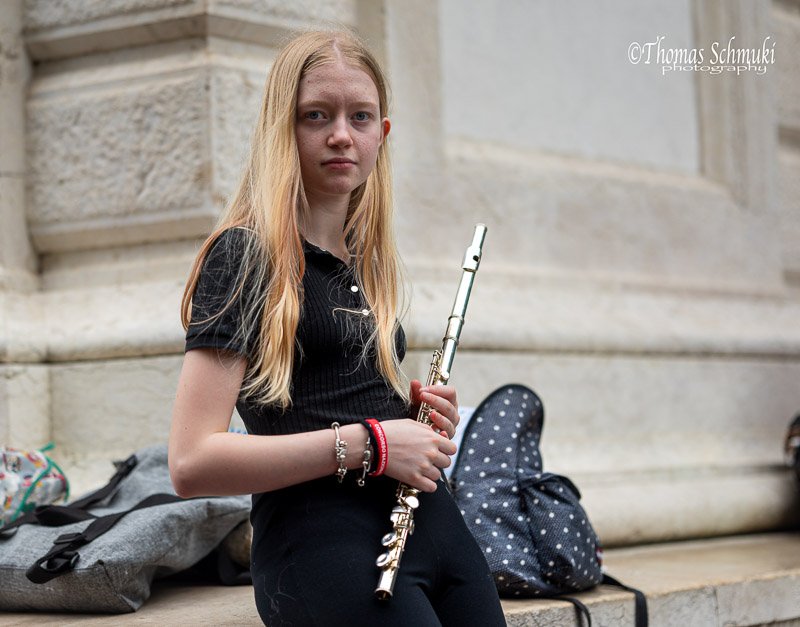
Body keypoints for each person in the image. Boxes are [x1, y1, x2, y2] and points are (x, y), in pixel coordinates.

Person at [168, 29, 506, 626]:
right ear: (283, 129)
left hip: (431, 528)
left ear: (383, 134)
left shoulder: (366, 260)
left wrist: (413, 418)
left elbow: (338, 400)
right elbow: (192, 462)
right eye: (316, 116)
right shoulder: (245, 257)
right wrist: (373, 443)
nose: (341, 135)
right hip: (321, 544)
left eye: (361, 117)